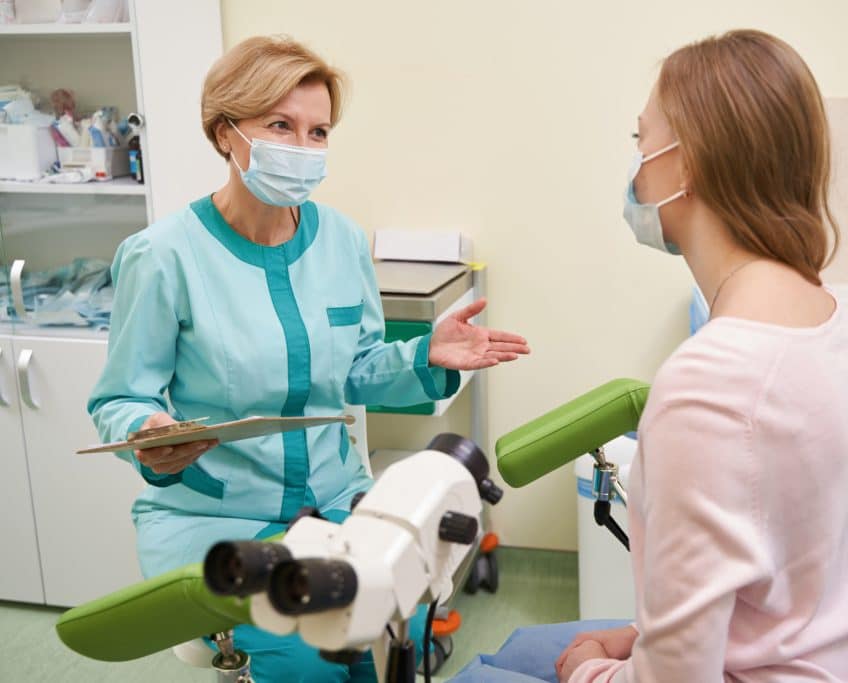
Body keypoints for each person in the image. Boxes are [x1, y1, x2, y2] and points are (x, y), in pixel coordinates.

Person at [450, 29, 848, 682]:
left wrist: (588, 668)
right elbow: (777, 574)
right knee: (522, 644)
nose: (636, 169)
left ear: (687, 163)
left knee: (480, 673)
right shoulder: (828, 318)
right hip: (844, 657)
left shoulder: (711, 381)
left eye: (641, 142)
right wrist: (645, 633)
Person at [88, 35, 529, 682]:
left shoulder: (342, 241)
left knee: (396, 630)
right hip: (217, 523)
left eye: (318, 131)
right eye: (280, 126)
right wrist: (144, 432)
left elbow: (355, 369)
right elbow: (119, 397)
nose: (302, 147)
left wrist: (422, 354)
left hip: (335, 504)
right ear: (224, 134)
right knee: (311, 653)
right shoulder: (162, 257)